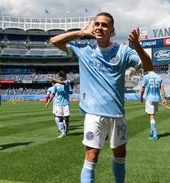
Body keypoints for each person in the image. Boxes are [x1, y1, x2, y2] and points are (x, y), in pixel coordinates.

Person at [50, 12, 153, 183]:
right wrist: (80, 32)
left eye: (104, 25)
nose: (99, 27)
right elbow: (54, 41)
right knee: (91, 156)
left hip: (117, 114)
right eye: (97, 24)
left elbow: (149, 67)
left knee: (120, 156)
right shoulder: (84, 50)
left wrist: (137, 46)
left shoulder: (124, 51)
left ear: (112, 29)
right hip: (93, 114)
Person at [140, 71, 166, 140]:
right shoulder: (159, 77)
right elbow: (162, 89)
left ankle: (155, 134)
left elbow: (142, 89)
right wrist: (163, 99)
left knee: (151, 116)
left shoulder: (146, 76)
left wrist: (141, 97)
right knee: (153, 115)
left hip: (149, 98)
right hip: (157, 98)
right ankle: (151, 131)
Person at [46, 71, 71, 138]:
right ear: (60, 77)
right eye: (63, 76)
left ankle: (66, 130)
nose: (64, 77)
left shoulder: (67, 82)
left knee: (66, 118)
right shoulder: (56, 85)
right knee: (59, 118)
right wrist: (48, 102)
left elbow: (62, 83)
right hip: (58, 104)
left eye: (64, 76)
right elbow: (53, 94)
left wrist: (52, 78)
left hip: (66, 103)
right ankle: (62, 132)